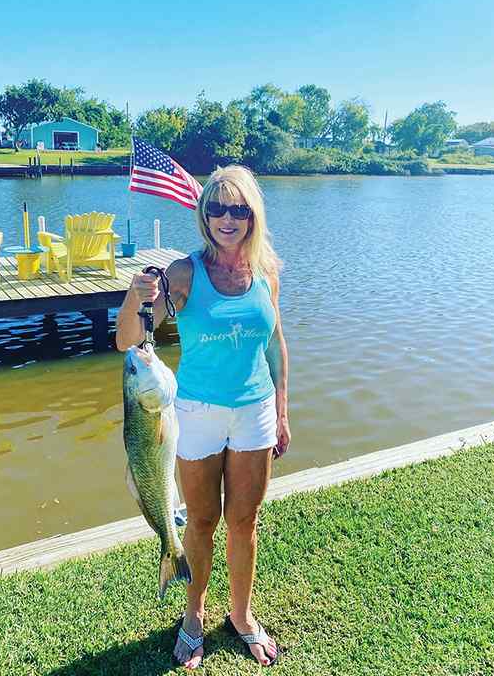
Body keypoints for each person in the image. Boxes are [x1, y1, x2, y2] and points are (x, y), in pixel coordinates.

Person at [116, 164, 290, 669]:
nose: (227, 218)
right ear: (203, 213)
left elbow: (276, 343)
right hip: (193, 412)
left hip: (254, 410)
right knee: (202, 520)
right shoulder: (184, 273)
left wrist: (282, 408)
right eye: (217, 208)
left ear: (252, 215)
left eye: (238, 209)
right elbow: (129, 340)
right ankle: (194, 613)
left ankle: (240, 614)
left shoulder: (267, 271)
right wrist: (134, 297)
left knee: (245, 520)